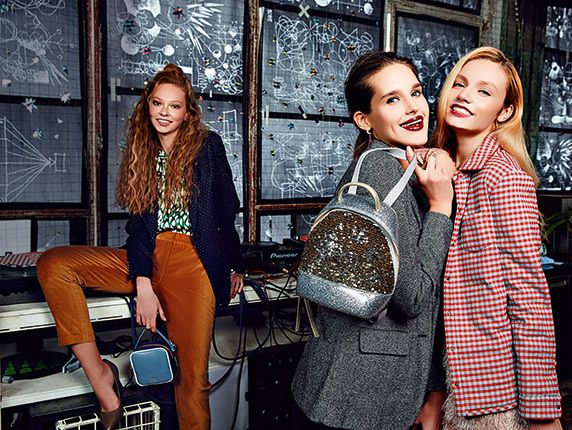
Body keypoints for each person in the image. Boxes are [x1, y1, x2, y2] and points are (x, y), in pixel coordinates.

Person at [36, 64, 244, 430]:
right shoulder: (142, 150)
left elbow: (226, 209)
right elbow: (138, 228)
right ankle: (100, 377)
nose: (164, 112)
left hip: (193, 261)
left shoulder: (206, 145)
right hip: (146, 257)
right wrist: (143, 285)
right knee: (54, 264)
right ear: (147, 105)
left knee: (191, 382)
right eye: (157, 103)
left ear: (187, 112)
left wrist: (234, 265)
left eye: (174, 106)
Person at [291, 51, 455, 430]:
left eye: (416, 93)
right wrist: (441, 207)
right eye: (392, 99)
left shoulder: (386, 163)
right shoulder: (382, 171)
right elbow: (413, 298)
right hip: (359, 392)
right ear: (364, 120)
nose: (412, 108)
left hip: (344, 384)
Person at [430, 47, 562, 430]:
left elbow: (530, 296)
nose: (464, 96)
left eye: (484, 91)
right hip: (443, 373)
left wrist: (543, 413)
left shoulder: (504, 178)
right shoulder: (441, 171)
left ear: (504, 112)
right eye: (460, 84)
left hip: (490, 385)